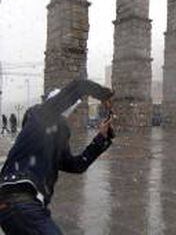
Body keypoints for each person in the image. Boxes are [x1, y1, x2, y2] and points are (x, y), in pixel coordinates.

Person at [0, 79, 114, 234]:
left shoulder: (51, 143)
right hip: (20, 201)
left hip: (21, 205)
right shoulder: (42, 115)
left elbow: (77, 165)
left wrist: (101, 138)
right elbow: (79, 86)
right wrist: (104, 94)